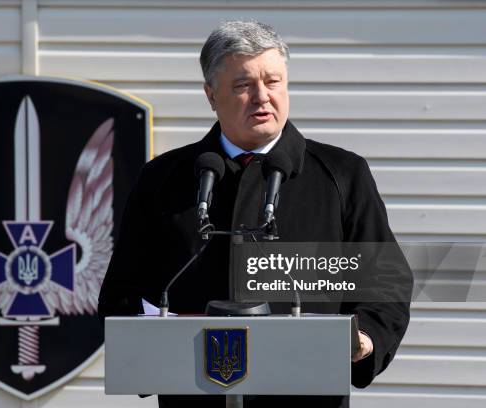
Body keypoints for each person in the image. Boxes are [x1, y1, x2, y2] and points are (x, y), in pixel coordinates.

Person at [98, 20, 412, 408]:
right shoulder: (162, 180)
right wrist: (149, 344)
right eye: (244, 85)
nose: (262, 97)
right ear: (211, 95)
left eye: (273, 81)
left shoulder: (341, 174)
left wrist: (364, 339)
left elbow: (386, 281)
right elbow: (122, 293)